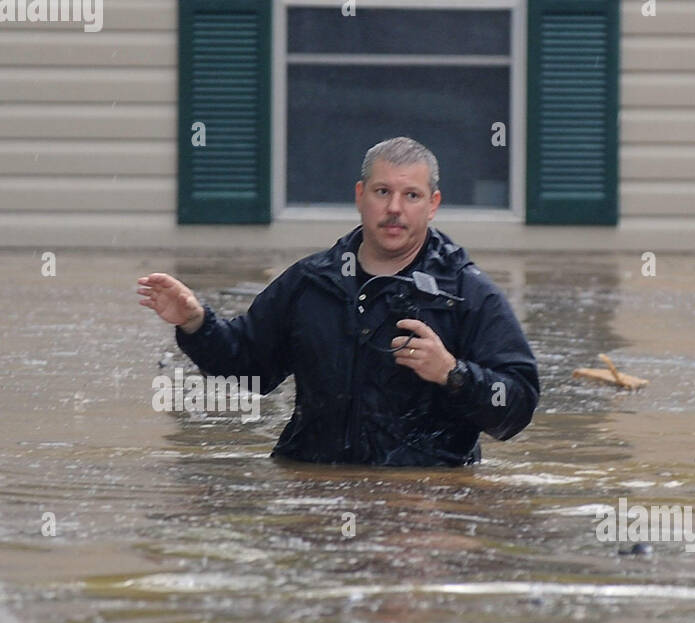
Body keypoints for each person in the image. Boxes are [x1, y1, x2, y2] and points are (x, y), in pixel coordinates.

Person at [138, 137, 539, 466]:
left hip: (423, 498)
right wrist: (195, 322)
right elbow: (249, 368)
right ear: (361, 196)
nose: (394, 208)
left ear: (432, 205)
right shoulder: (311, 282)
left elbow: (516, 409)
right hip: (313, 485)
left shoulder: (466, 294)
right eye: (383, 192)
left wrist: (453, 373)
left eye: (411, 195)